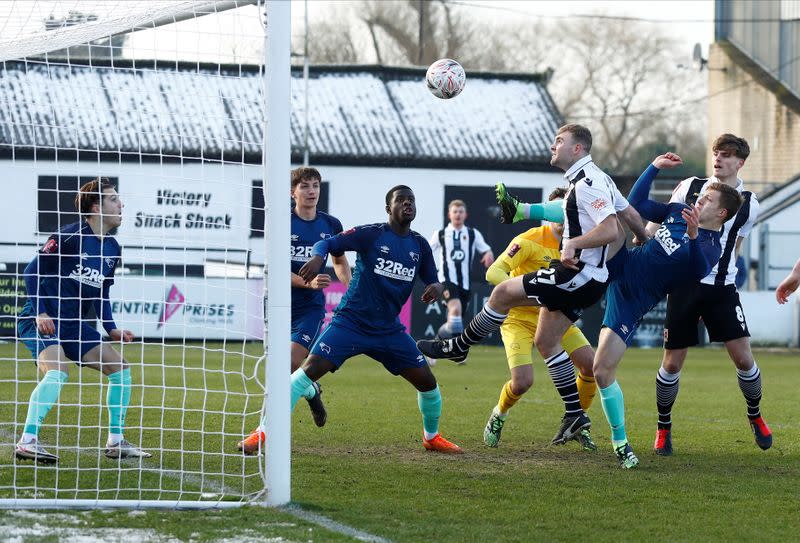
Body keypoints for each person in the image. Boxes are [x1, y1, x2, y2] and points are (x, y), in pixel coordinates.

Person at [418, 123, 648, 445]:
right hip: (584, 280)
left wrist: (574, 244)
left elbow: (611, 228)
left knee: (502, 294)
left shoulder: (588, 182)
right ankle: (574, 413)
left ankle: (459, 346)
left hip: (577, 276)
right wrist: (643, 235)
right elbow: (626, 212)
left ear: (577, 149)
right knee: (546, 342)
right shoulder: (596, 180)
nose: (553, 146)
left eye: (559, 141)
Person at [245, 185, 462, 455]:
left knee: (428, 384)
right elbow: (328, 243)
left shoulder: (419, 245)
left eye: (412, 200)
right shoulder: (370, 234)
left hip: (389, 331)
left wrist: (436, 288)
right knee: (304, 374)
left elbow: (432, 278)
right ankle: (263, 432)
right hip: (350, 324)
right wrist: (316, 257)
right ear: (388, 209)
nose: (408, 204)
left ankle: (431, 437)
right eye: (401, 200)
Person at [592, 153, 742, 468]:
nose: (699, 201)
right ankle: (541, 228)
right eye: (701, 196)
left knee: (602, 370)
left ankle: (621, 444)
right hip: (623, 263)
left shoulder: (711, 247)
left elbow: (696, 269)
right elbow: (635, 204)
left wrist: (691, 236)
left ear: (722, 212)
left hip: (633, 301)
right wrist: (654, 167)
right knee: (605, 205)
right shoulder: (678, 210)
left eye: (708, 200)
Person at [647, 135, 769, 457]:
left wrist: (730, 277)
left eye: (727, 155)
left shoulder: (749, 202)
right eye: (716, 153)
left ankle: (755, 415)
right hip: (685, 284)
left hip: (722, 288)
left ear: (740, 162)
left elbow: (736, 245)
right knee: (672, 364)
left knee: (744, 358)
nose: (719, 159)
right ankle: (663, 429)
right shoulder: (690, 186)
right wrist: (643, 239)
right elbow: (659, 222)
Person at [15, 178, 148, 464]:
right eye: (114, 199)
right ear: (97, 207)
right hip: (41, 318)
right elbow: (30, 272)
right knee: (58, 370)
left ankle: (116, 442)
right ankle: (27, 442)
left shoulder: (113, 248)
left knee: (120, 369)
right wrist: (40, 311)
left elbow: (101, 292)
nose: (121, 204)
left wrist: (111, 328)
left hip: (74, 325)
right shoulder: (69, 236)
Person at [238, 167, 351, 453]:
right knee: (279, 370)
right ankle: (311, 390)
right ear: (293, 192)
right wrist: (307, 281)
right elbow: (274, 269)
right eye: (305, 186)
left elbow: (339, 261)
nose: (311, 191)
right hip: (278, 305)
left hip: (310, 310)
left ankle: (261, 433)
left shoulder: (331, 224)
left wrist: (350, 289)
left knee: (283, 368)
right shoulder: (281, 223)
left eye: (315, 186)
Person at [482, 187, 598, 451]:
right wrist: (527, 293)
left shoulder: (580, 244)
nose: (561, 217)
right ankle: (499, 415)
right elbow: (493, 272)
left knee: (591, 366)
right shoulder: (529, 239)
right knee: (523, 382)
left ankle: (576, 423)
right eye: (555, 210)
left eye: (565, 211)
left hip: (557, 318)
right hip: (520, 320)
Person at [428, 200, 494, 349]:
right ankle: (457, 350)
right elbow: (427, 251)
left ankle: (435, 345)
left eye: (460, 212)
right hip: (446, 280)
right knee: (455, 309)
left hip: (465, 283)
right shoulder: (441, 234)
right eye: (455, 211)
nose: (458, 214)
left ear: (465, 215)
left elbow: (486, 249)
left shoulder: (472, 234)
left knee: (455, 321)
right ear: (449, 215)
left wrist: (488, 254)